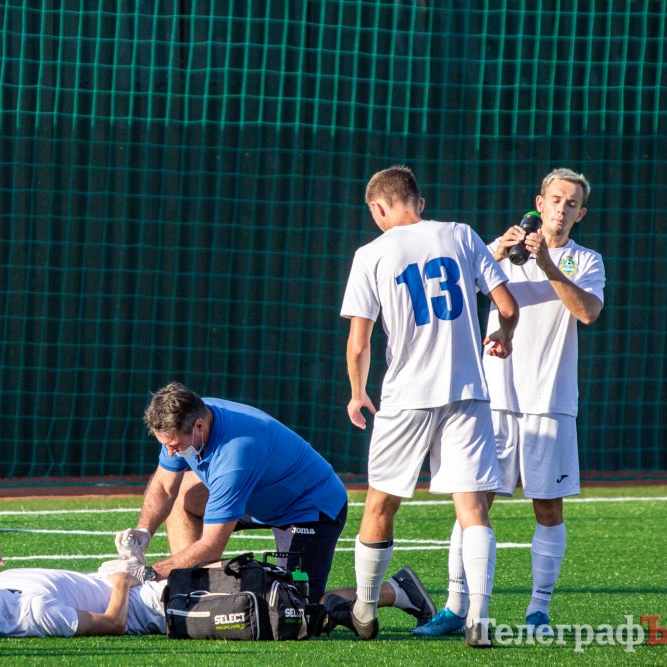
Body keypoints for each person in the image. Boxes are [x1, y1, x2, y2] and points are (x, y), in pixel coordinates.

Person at [419, 168, 604, 639]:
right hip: (493, 400)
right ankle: (455, 606)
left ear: (581, 214)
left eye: (571, 204)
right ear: (539, 204)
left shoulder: (586, 260)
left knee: (548, 509)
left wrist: (548, 265)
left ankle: (538, 610)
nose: (561, 210)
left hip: (551, 402)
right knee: (474, 503)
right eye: (555, 200)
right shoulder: (496, 251)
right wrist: (497, 252)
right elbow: (450, 295)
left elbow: (587, 312)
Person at [339, 165, 518, 647]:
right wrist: (504, 335)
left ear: (378, 208)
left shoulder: (371, 254)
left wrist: (357, 392)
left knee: (381, 504)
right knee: (473, 507)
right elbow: (507, 306)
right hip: (467, 391)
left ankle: (365, 611)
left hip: (406, 395)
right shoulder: (461, 234)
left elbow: (359, 343)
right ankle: (479, 619)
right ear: (419, 202)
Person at [111, 381, 350, 606]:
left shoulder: (235, 457)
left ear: (199, 427)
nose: (170, 452)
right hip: (258, 495)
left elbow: (212, 545)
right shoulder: (191, 416)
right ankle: (190, 590)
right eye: (166, 445)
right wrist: (144, 531)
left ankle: (371, 598)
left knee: (294, 607)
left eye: (175, 445)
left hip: (308, 508)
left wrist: (149, 573)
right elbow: (164, 487)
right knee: (185, 495)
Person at [0, 546, 167, 637]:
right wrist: (122, 581)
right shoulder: (35, 612)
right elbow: (114, 624)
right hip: (147, 604)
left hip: (110, 582)